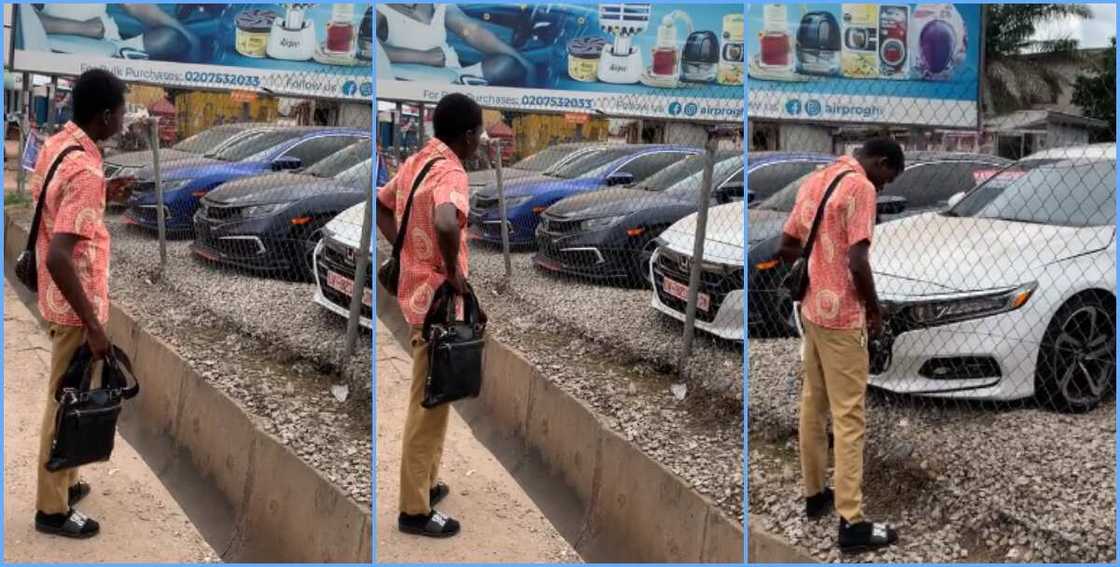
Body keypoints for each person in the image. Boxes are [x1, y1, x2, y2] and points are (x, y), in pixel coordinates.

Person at [777, 138, 904, 553]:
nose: (882, 187)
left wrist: (817, 268)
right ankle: (851, 522)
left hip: (813, 309)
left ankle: (815, 495)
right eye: (887, 178)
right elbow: (858, 262)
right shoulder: (860, 187)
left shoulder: (818, 178)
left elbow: (786, 245)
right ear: (880, 162)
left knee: (813, 404)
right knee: (849, 418)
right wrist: (875, 310)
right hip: (844, 318)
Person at [376, 93, 481, 538]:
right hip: (436, 302)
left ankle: (428, 483)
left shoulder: (418, 160)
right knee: (427, 405)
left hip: (416, 297)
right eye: (479, 135)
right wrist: (452, 273)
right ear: (468, 135)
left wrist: (406, 252)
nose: (479, 143)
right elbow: (445, 221)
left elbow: (382, 205)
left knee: (438, 394)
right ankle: (414, 511)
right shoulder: (451, 171)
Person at [31, 68, 127, 539]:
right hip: (75, 307)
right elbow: (59, 255)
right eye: (122, 112)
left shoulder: (59, 145)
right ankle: (51, 509)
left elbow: (54, 206)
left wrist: (105, 195)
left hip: (55, 299)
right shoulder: (86, 171)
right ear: (104, 116)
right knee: (65, 404)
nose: (124, 121)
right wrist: (93, 324)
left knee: (73, 395)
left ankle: (68, 480)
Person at [376, 4, 532, 87]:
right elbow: (369, 48)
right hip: (410, 79)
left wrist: (523, 61)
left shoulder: (438, 4)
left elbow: (471, 31)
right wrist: (425, 57)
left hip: (455, 75)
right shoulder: (379, 8)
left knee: (507, 64)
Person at [33, 4, 201, 62]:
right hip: (62, 50)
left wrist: (189, 35)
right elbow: (26, 17)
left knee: (170, 38)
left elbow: (136, 7)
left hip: (112, 48)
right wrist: (84, 28)